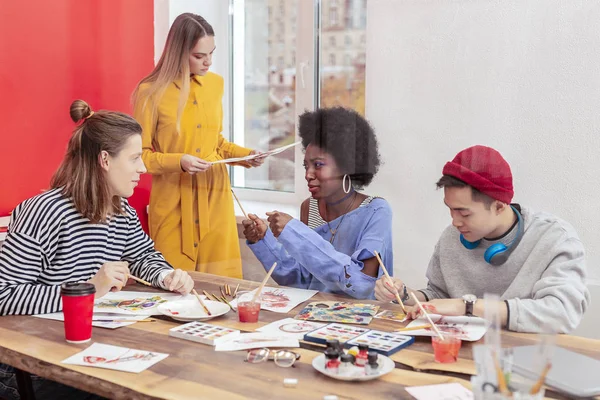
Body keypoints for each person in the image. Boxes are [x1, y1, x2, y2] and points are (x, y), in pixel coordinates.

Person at [0, 100, 194, 399]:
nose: (142, 168)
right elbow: (4, 294)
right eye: (134, 159)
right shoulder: (44, 212)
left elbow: (143, 256)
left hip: (85, 349)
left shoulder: (121, 210)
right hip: (32, 365)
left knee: (176, 374)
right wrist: (88, 289)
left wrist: (166, 275)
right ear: (105, 159)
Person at [375, 145, 590, 333]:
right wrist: (402, 294)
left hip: (527, 359)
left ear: (499, 205)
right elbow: (437, 295)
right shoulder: (453, 236)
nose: (455, 222)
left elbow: (563, 313)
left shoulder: (554, 238)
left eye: (464, 213)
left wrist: (468, 306)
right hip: (460, 352)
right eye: (450, 210)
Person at [132, 13, 264, 278]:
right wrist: (178, 161)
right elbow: (140, 156)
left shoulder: (215, 85)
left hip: (214, 196)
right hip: (173, 200)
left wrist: (247, 156)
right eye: (199, 55)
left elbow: (216, 142)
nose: (208, 62)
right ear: (179, 52)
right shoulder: (150, 91)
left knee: (223, 287)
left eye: (211, 53)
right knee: (172, 286)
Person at [242, 107, 391, 299]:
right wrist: (263, 239)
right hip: (314, 314)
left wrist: (296, 233)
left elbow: (361, 284)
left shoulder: (376, 211)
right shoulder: (309, 207)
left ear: (346, 165)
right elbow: (300, 280)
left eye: (318, 165)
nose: (308, 175)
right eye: (306, 166)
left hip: (359, 320)